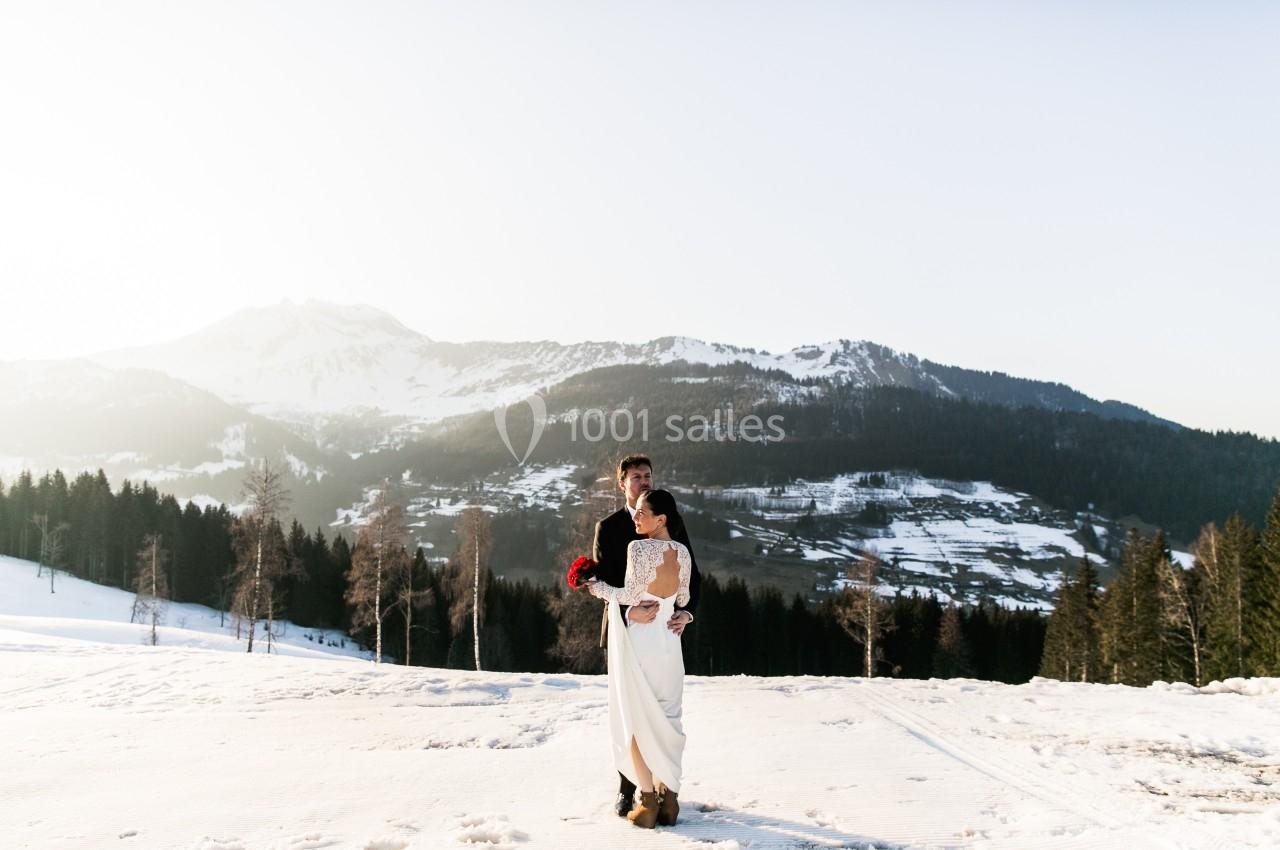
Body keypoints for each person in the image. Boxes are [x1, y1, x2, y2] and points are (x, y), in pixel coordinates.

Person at [588, 454, 701, 817]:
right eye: (636, 477)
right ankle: (631, 790)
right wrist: (626, 610)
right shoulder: (608, 527)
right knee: (644, 709)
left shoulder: (663, 520)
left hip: (659, 631)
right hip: (629, 629)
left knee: (636, 710)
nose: (643, 481)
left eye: (648, 475)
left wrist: (687, 612)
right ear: (622, 483)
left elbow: (691, 577)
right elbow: (615, 578)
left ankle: (653, 797)